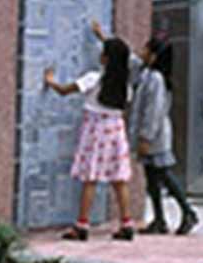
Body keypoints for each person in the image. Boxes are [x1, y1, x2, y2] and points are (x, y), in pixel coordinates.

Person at [43, 35, 136, 241]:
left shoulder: (93, 79)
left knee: (90, 178)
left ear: (105, 58)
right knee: (119, 180)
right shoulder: (125, 88)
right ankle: (127, 223)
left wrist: (50, 80)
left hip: (96, 130)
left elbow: (64, 91)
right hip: (116, 131)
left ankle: (82, 225)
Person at [130, 34, 200, 235]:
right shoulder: (148, 74)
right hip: (152, 137)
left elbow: (154, 111)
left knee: (164, 174)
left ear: (154, 56)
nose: (141, 52)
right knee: (152, 178)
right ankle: (159, 219)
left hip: (155, 138)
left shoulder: (156, 80)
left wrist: (146, 137)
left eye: (145, 49)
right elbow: (131, 59)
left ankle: (188, 211)